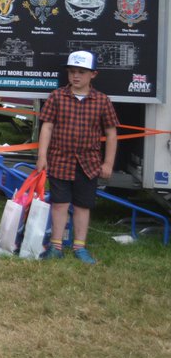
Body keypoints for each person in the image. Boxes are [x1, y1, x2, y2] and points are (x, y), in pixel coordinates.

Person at [35, 50, 118, 264]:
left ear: (93, 75)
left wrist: (108, 162)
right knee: (59, 204)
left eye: (81, 72)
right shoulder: (56, 96)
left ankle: (79, 247)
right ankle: (56, 245)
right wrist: (42, 156)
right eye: (72, 72)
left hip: (88, 164)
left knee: (83, 205)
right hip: (59, 160)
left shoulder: (102, 101)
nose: (76, 76)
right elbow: (47, 127)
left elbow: (110, 132)